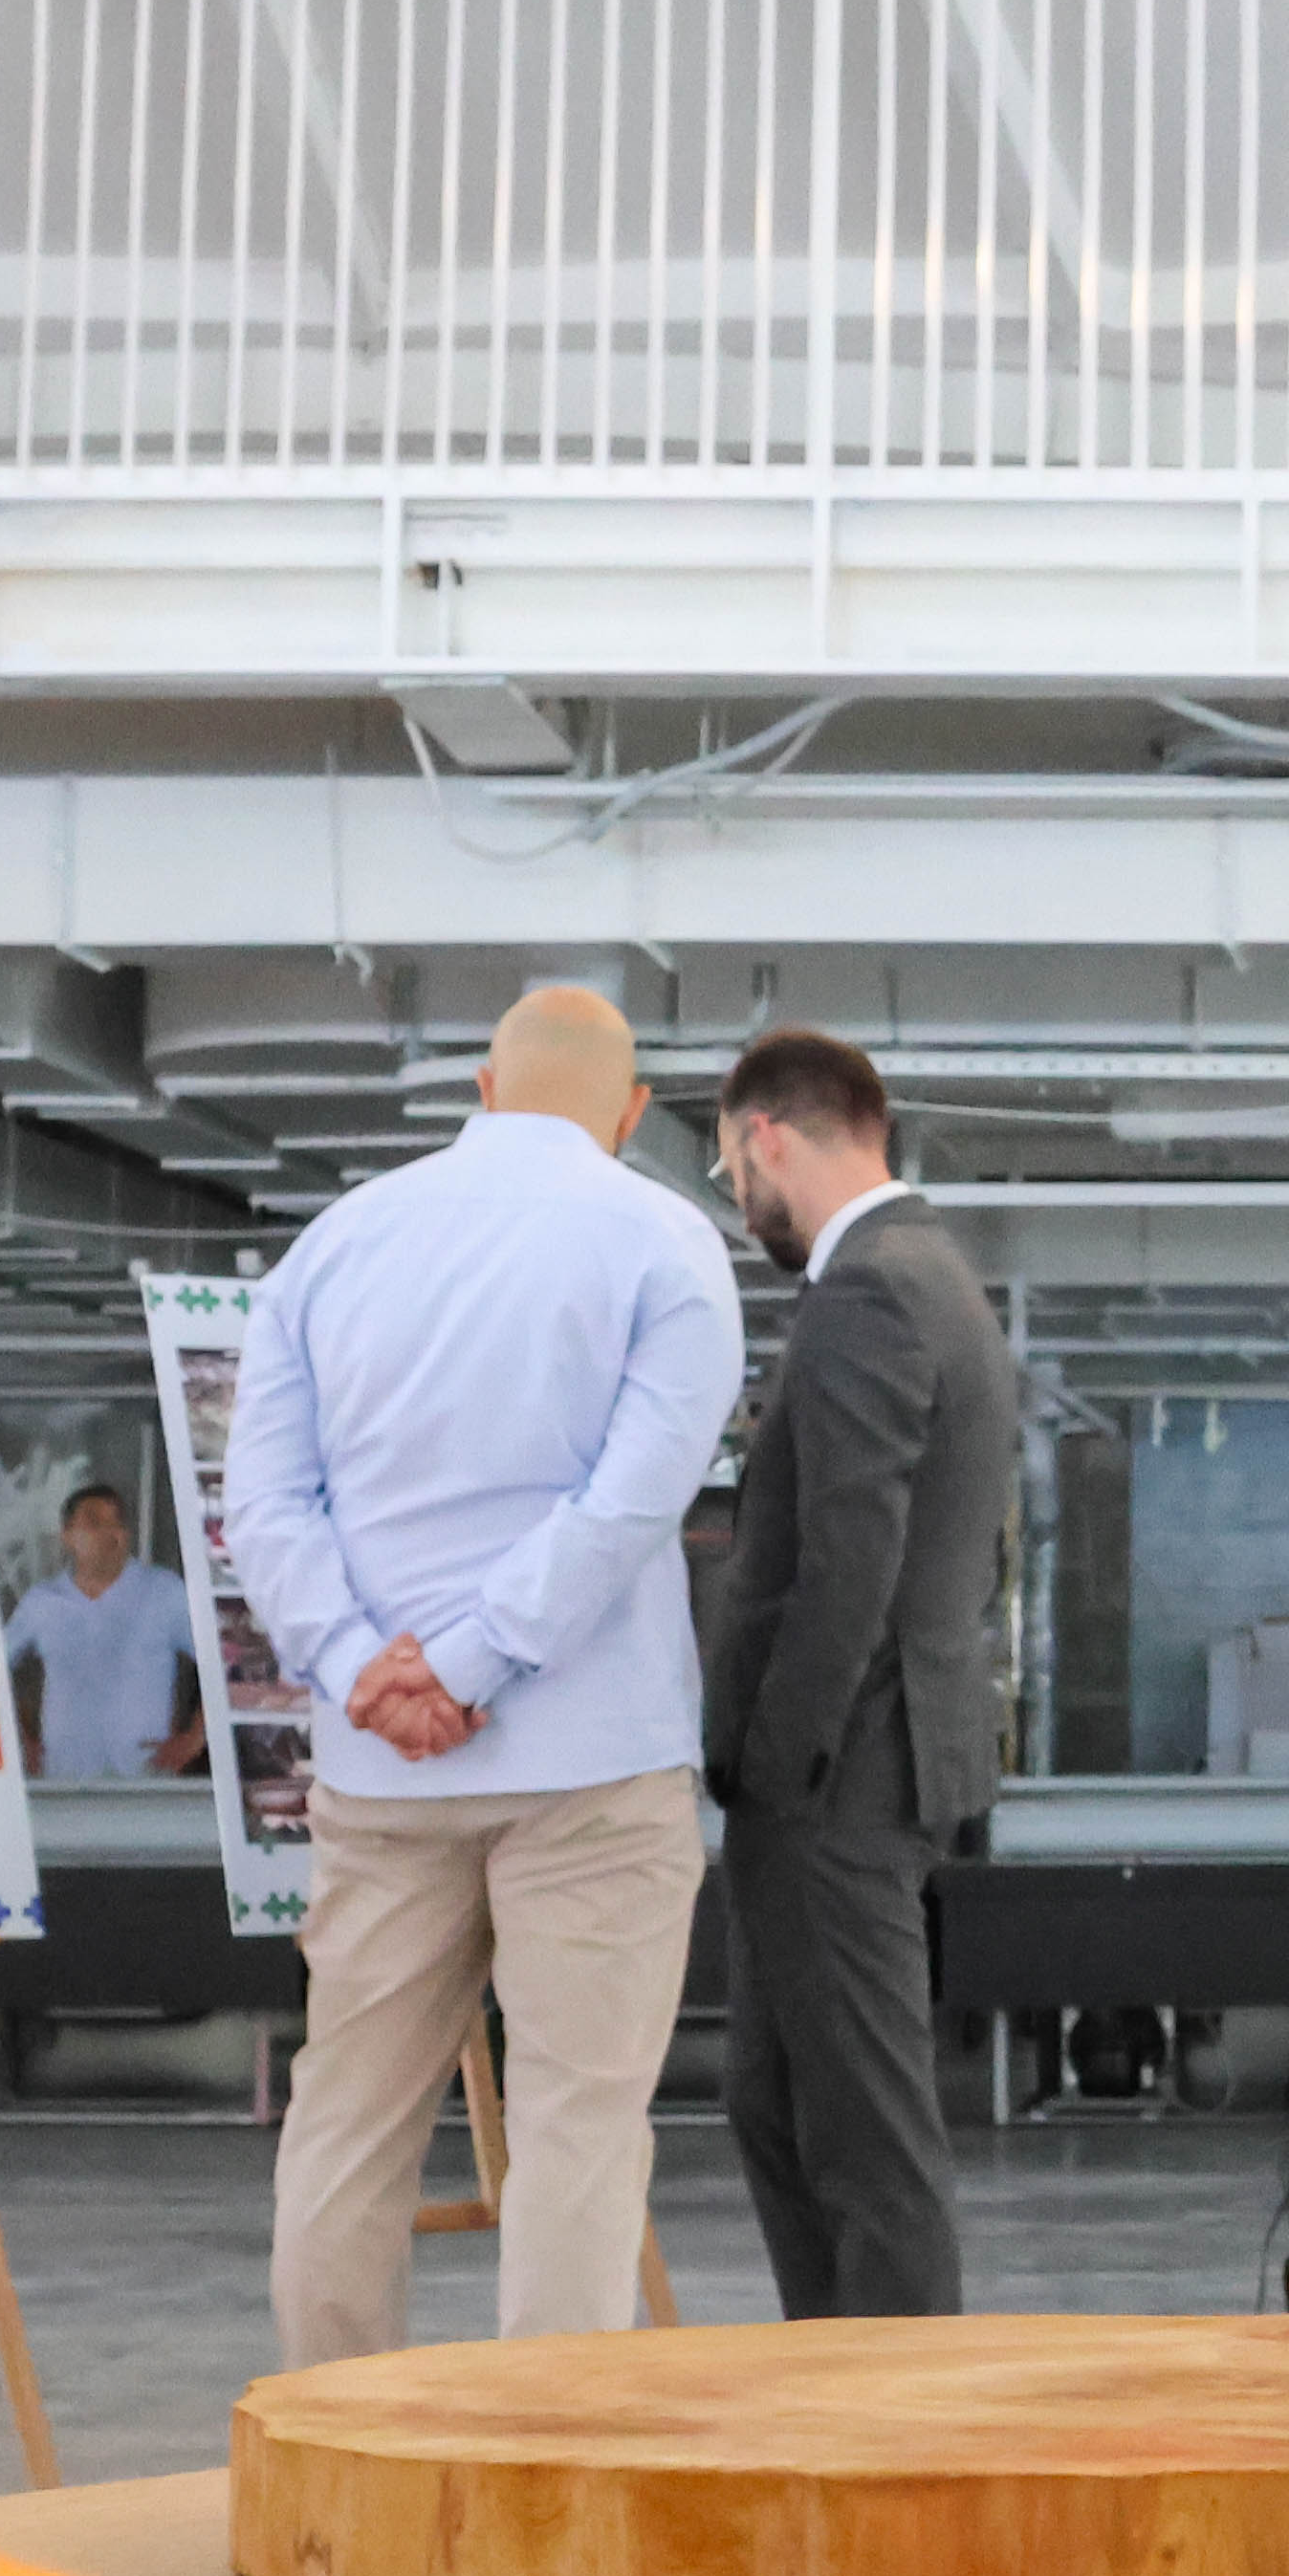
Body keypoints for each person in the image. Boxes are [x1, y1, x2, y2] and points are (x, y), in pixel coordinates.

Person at [224, 985, 741, 2367]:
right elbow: (632, 1507)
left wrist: (367, 1669)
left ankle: (334, 2452)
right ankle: (549, 2472)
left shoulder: (331, 1249)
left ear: (479, 1084)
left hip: (381, 1770)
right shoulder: (667, 1245)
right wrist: (473, 1659)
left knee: (347, 2119)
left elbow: (264, 1506)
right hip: (594, 1762)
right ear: (634, 1115)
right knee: (578, 2128)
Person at [699, 1028, 1021, 2323]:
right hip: (879, 1762)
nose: (742, 1201)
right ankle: (832, 2390)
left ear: (767, 1135)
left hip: (835, 1779)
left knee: (867, 2139)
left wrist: (772, 1772)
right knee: (778, 2104)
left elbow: (849, 1567)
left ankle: (899, 2434)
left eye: (732, 1173)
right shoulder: (935, 1276)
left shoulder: (871, 1292)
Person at [6, 1481, 199, 1782]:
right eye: (94, 1523)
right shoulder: (42, 1601)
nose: (110, 1534)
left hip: (147, 1782)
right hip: (62, 1782)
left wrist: (193, 1741)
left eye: (118, 1523)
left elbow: (222, 1669)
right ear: (67, 1536)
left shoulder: (165, 1592)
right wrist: (20, 1743)